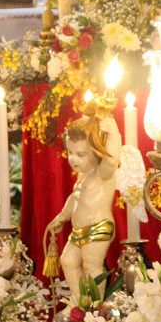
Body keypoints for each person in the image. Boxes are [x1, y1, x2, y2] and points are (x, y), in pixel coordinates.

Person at [45, 111, 120, 302]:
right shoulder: (82, 175)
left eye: (81, 154)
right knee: (67, 261)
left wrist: (112, 133)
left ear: (96, 151)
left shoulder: (103, 173)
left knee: (91, 267)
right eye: (70, 152)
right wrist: (62, 216)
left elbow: (112, 160)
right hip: (79, 230)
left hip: (98, 226)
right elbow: (75, 197)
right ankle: (80, 304)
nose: (73, 159)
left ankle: (95, 308)